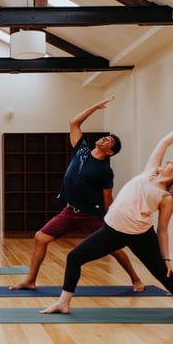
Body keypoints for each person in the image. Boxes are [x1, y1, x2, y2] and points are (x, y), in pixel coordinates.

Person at [41, 120, 173, 320]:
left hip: (140, 234)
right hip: (112, 229)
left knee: (162, 273)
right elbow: (164, 143)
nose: (167, 162)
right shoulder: (149, 171)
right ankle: (63, 302)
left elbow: (163, 230)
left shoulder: (166, 197)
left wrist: (166, 259)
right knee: (74, 257)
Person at [10, 96, 145, 291]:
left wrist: (111, 220)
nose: (106, 138)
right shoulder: (81, 150)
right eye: (107, 136)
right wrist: (96, 106)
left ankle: (135, 279)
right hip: (69, 212)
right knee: (40, 237)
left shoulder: (105, 170)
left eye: (111, 141)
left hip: (92, 215)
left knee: (114, 248)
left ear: (110, 153)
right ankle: (30, 280)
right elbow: (74, 122)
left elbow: (108, 197)